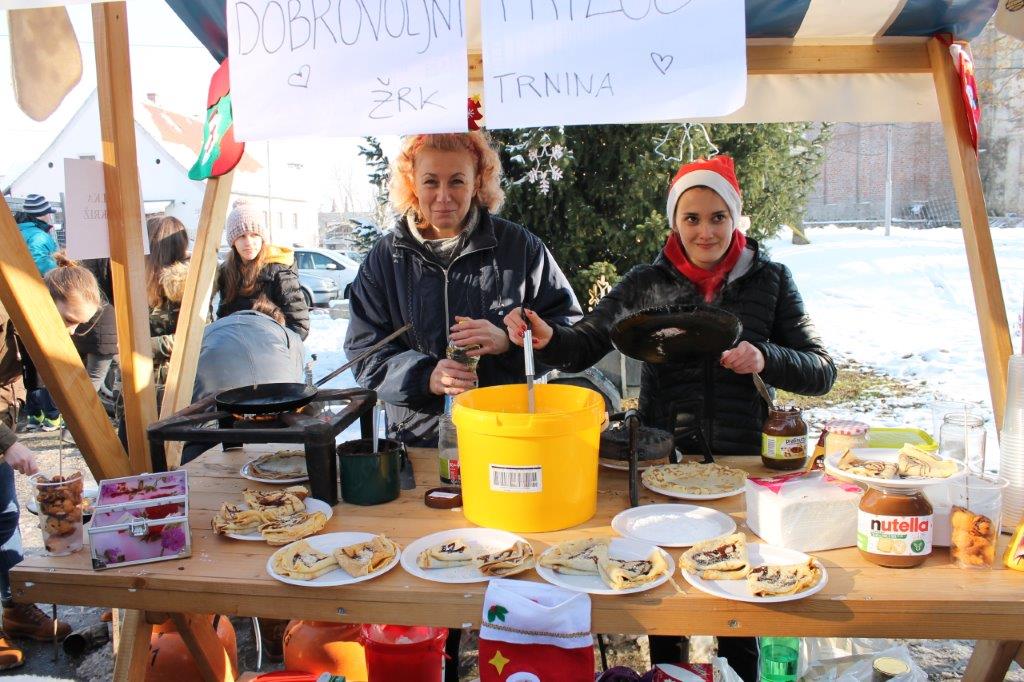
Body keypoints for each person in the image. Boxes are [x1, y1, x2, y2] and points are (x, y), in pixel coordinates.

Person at [504, 155, 836, 679]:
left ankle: (740, 671)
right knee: (664, 598)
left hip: (743, 465)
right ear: (674, 222)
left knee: (742, 596)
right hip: (664, 464)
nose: (706, 232)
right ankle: (668, 671)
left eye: (718, 217)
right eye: (692, 218)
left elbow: (821, 370)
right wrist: (549, 338)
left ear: (735, 218)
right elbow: (586, 342)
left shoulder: (770, 280)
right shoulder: (646, 283)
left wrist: (765, 356)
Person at [344, 131, 582, 446]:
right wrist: (424, 376)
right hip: (416, 441)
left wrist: (509, 342)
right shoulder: (386, 259)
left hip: (506, 433)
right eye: (431, 182)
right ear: (412, 183)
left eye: (456, 181)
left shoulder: (520, 248)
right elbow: (363, 352)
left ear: (477, 182)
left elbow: (568, 333)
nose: (443, 196)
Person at [0, 255, 100, 668]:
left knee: (5, 519)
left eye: (80, 325)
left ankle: (15, 608)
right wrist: (7, 443)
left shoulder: (27, 326)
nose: (71, 331)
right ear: (45, 299)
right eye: (69, 321)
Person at [215, 201, 309, 340]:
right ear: (232, 241)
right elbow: (223, 318)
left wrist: (272, 346)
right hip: (234, 349)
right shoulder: (227, 272)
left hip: (271, 350)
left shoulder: (280, 271)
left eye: (254, 235)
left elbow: (299, 327)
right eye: (241, 236)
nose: (248, 242)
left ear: (262, 238)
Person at [16, 194, 62, 431]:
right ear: (42, 215)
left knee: (27, 360)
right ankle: (52, 415)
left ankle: (34, 414)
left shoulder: (16, 232)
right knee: (45, 358)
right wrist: (61, 266)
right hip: (37, 302)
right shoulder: (39, 237)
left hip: (15, 305)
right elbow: (43, 269)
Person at [145, 216, 190, 389]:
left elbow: (197, 336)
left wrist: (143, 347)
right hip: (146, 373)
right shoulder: (142, 278)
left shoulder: (184, 283)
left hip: (172, 380)